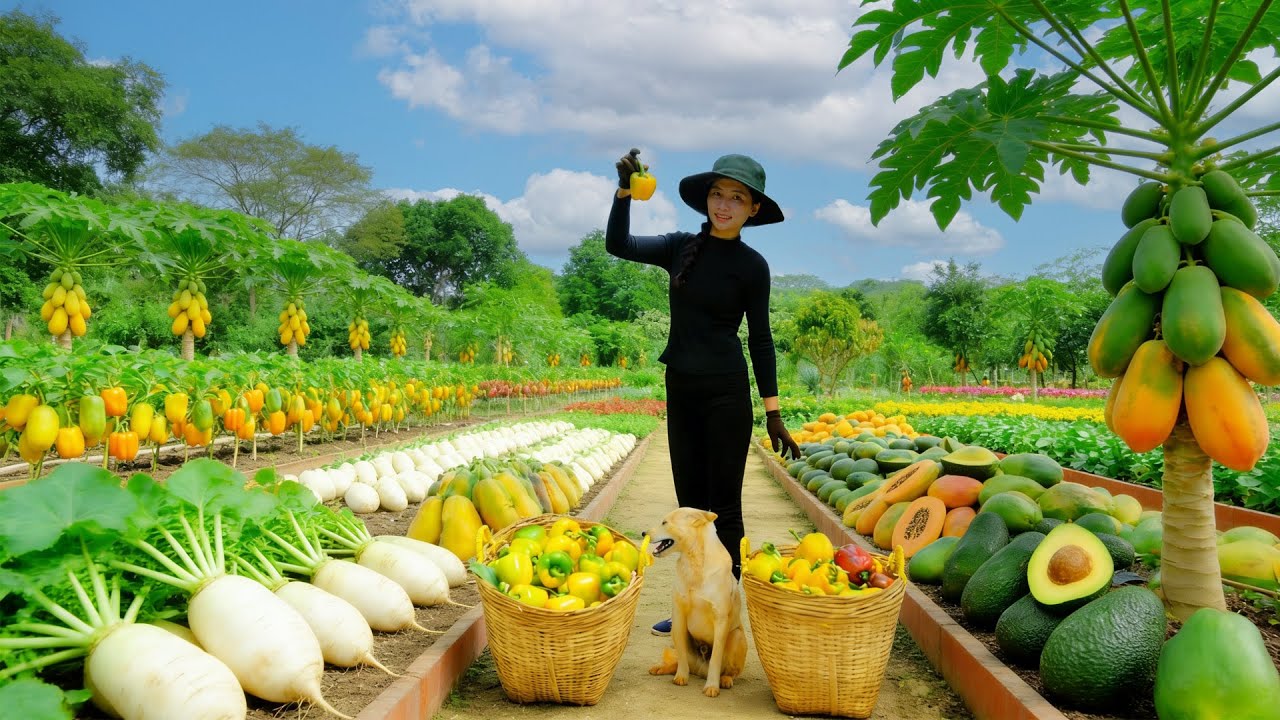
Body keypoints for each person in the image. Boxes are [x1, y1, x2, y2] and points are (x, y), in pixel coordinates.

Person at [605, 149, 801, 636]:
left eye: (738, 198)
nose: (725, 204)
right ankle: (692, 607)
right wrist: (625, 192)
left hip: (727, 395)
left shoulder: (753, 267)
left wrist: (773, 413)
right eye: (718, 194)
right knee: (687, 509)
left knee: (725, 507)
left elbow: (760, 338)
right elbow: (618, 243)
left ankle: (725, 607)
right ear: (706, 200)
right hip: (683, 390)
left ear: (753, 210)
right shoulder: (678, 247)